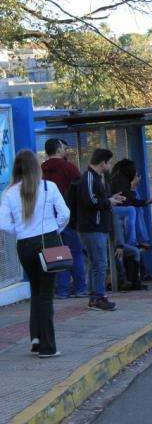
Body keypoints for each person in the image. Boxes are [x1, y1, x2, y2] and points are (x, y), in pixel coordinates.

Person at [0, 150, 70, 358]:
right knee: (46, 295)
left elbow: (3, 223)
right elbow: (65, 213)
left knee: (36, 290)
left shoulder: (10, 192)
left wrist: (20, 231)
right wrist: (55, 229)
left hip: (25, 245)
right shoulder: (49, 187)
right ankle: (48, 347)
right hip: (48, 240)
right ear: (36, 167)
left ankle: (36, 339)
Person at [77, 149, 125, 311]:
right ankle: (98, 297)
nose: (109, 165)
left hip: (98, 227)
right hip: (93, 227)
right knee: (99, 263)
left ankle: (95, 296)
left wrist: (111, 199)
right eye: (109, 162)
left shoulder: (97, 177)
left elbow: (97, 200)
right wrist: (109, 201)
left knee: (96, 263)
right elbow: (91, 201)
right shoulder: (90, 177)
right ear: (103, 162)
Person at [41, 138, 86, 299]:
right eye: (64, 147)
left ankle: (62, 290)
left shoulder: (41, 170)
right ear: (59, 149)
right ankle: (80, 288)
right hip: (68, 217)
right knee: (76, 252)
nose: (66, 150)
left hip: (47, 221)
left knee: (57, 252)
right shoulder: (69, 168)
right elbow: (81, 191)